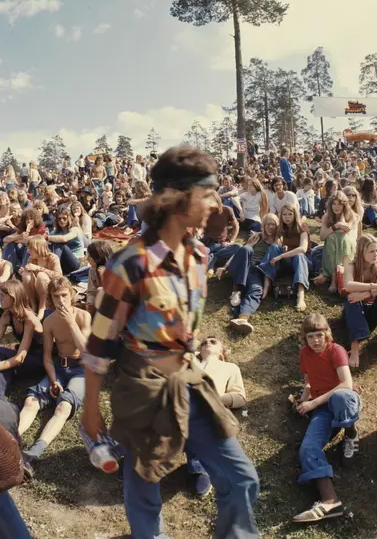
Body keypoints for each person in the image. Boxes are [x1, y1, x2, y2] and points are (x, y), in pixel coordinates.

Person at [81, 146, 259, 539]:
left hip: (190, 380)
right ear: (177, 198)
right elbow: (99, 346)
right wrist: (90, 409)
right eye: (208, 192)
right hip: (143, 391)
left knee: (241, 479)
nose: (216, 201)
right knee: (145, 489)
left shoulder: (199, 255)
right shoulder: (130, 263)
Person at [292, 313, 361, 523]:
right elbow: (309, 381)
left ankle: (351, 432)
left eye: (319, 335)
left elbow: (346, 384)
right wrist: (303, 401)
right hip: (322, 409)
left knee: (340, 397)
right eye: (311, 336)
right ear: (305, 337)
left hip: (344, 400)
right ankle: (330, 501)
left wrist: (312, 402)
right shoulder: (304, 353)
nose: (315, 340)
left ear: (327, 334)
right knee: (307, 449)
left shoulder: (336, 350)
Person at [18, 278, 91, 469]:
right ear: (50, 298)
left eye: (64, 295)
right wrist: (52, 379)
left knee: (63, 407)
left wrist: (71, 322)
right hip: (59, 367)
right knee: (30, 401)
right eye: (56, 297)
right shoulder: (49, 321)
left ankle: (33, 453)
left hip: (82, 370)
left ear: (71, 295)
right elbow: (48, 357)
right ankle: (11, 440)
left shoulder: (83, 316)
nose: (61, 301)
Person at [188, 336, 247, 497]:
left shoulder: (229, 367)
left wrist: (217, 398)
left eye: (213, 342)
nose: (207, 342)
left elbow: (240, 397)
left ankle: (201, 470)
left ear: (222, 352)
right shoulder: (190, 360)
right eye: (204, 342)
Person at [342, 234, 377, 367]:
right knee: (351, 298)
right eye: (371, 251)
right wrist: (376, 286)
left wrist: (367, 293)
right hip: (354, 313)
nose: (375, 254)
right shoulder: (351, 265)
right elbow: (348, 285)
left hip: (372, 311)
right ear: (362, 252)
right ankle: (355, 345)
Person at [223, 213, 282, 335]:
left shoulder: (278, 243)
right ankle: (237, 289)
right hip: (243, 264)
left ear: (277, 226)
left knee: (256, 290)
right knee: (247, 249)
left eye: (273, 224)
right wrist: (225, 266)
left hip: (257, 270)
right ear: (263, 226)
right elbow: (241, 252)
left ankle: (243, 318)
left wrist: (266, 285)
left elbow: (271, 266)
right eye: (267, 224)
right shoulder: (257, 237)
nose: (270, 227)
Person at [0, 280, 46, 399]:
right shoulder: (7, 315)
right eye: (0, 295)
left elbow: (20, 358)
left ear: (14, 297)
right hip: (22, 358)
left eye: (3, 295)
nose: (0, 298)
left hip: (37, 362)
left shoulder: (29, 319)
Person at [259, 204, 310, 312]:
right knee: (273, 247)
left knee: (299, 255)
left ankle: (300, 296)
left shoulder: (302, 227)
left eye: (290, 214)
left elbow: (303, 249)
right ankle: (266, 286)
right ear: (281, 216)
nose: (287, 217)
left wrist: (281, 255)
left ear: (295, 215)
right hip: (289, 262)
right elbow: (276, 245)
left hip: (303, 262)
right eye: (284, 214)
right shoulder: (281, 229)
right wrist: (259, 234)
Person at [314, 191, 358, 294]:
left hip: (348, 245)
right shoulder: (326, 216)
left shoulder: (352, 215)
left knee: (340, 237)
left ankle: (338, 276)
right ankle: (335, 276)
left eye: (339, 203)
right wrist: (335, 226)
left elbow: (346, 229)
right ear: (330, 205)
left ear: (344, 205)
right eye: (334, 203)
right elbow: (322, 237)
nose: (336, 207)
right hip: (333, 245)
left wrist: (340, 222)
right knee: (331, 238)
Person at [20, 235, 62, 320]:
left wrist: (39, 268)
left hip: (49, 290)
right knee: (26, 275)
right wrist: (23, 272)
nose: (28, 251)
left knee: (41, 276)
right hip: (36, 289)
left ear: (37, 248)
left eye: (30, 249)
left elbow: (59, 276)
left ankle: (42, 308)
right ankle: (33, 305)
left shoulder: (53, 257)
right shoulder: (30, 259)